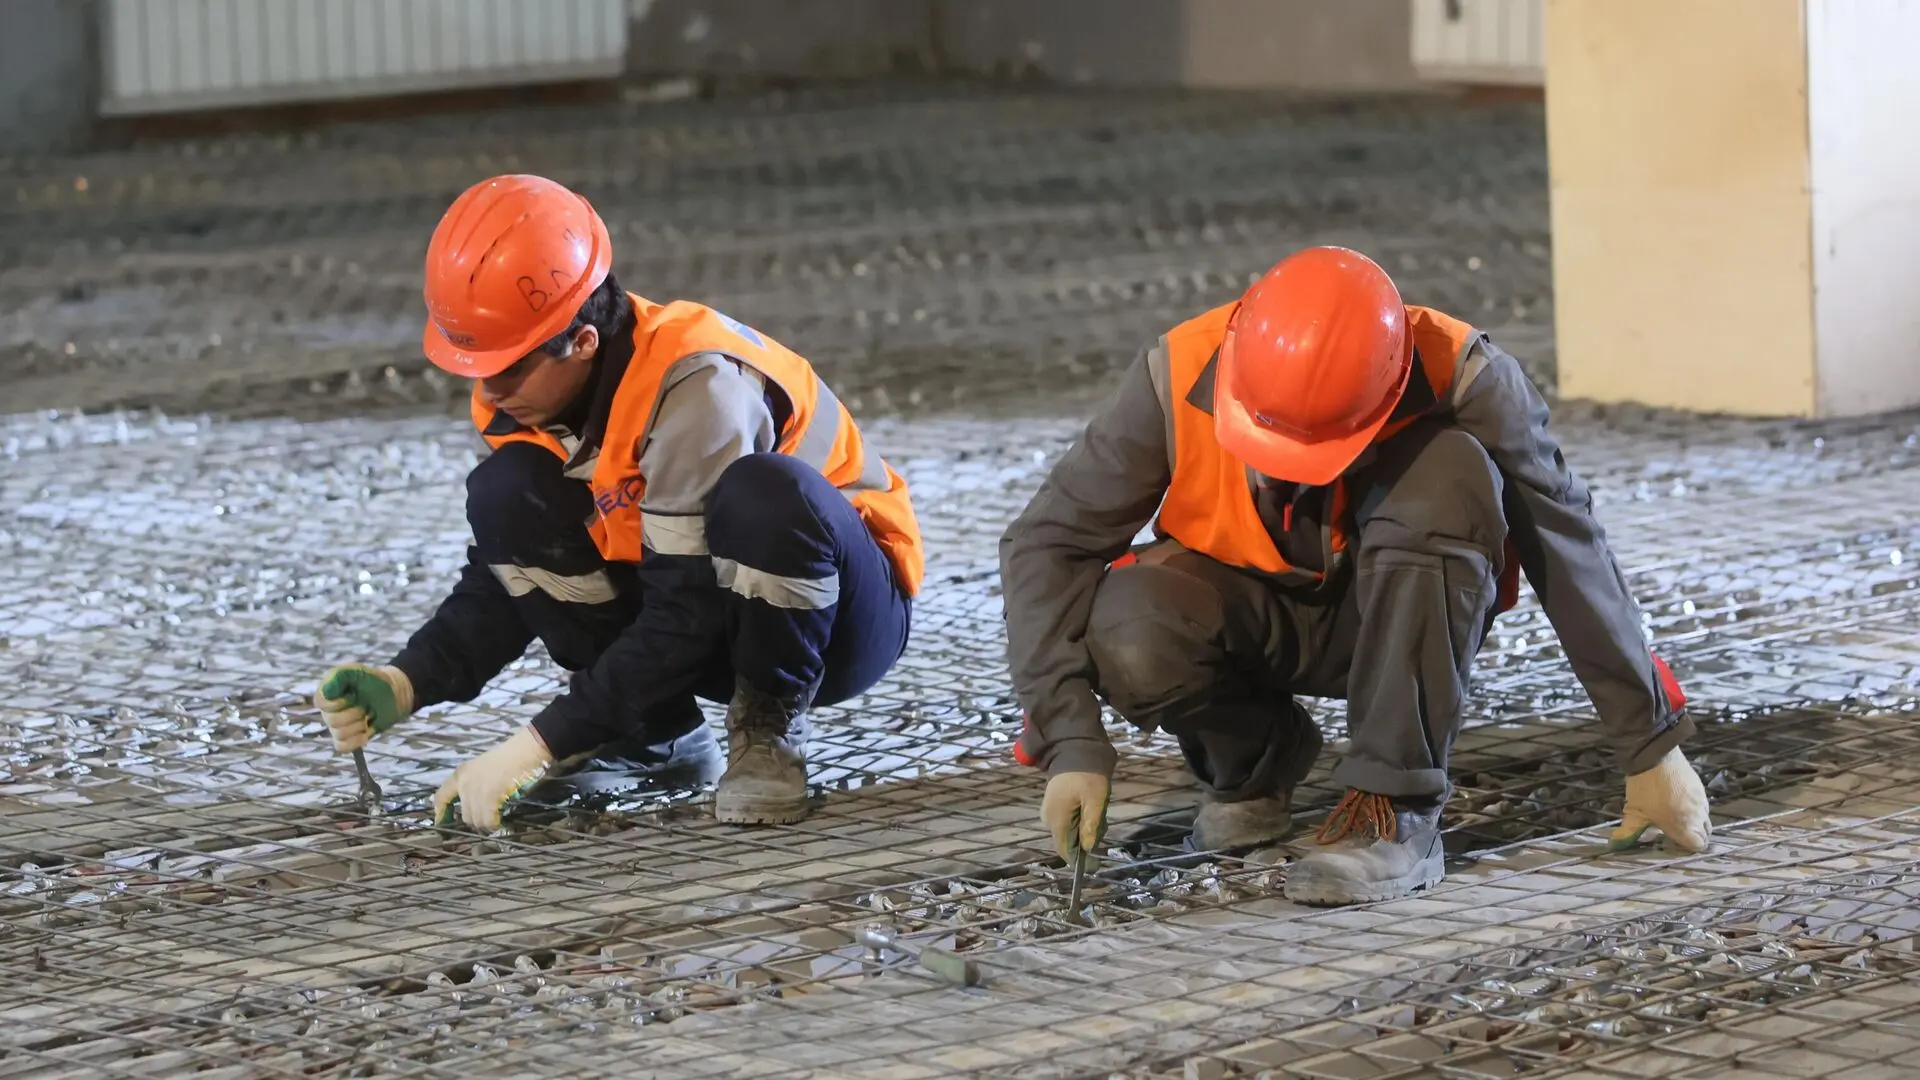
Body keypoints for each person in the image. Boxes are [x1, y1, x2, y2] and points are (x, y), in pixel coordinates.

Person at [999, 245, 1711, 906]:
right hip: (1251, 617)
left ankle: (1391, 810)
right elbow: (1047, 544)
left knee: (1452, 474)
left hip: (1400, 613)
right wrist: (1072, 741)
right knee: (1131, 623)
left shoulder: (1468, 377)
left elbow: (1567, 545)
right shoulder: (1178, 370)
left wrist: (1649, 745)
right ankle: (1255, 764)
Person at [312, 174, 922, 832]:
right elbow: (513, 571)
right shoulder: (525, 400)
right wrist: (409, 680)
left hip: (838, 623)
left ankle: (767, 731)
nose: (488, 390)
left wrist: (544, 740)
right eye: (476, 366)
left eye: (508, 366)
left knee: (764, 494)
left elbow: (687, 610)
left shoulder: (696, 386)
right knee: (506, 492)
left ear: (581, 343)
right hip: (707, 614)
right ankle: (655, 741)